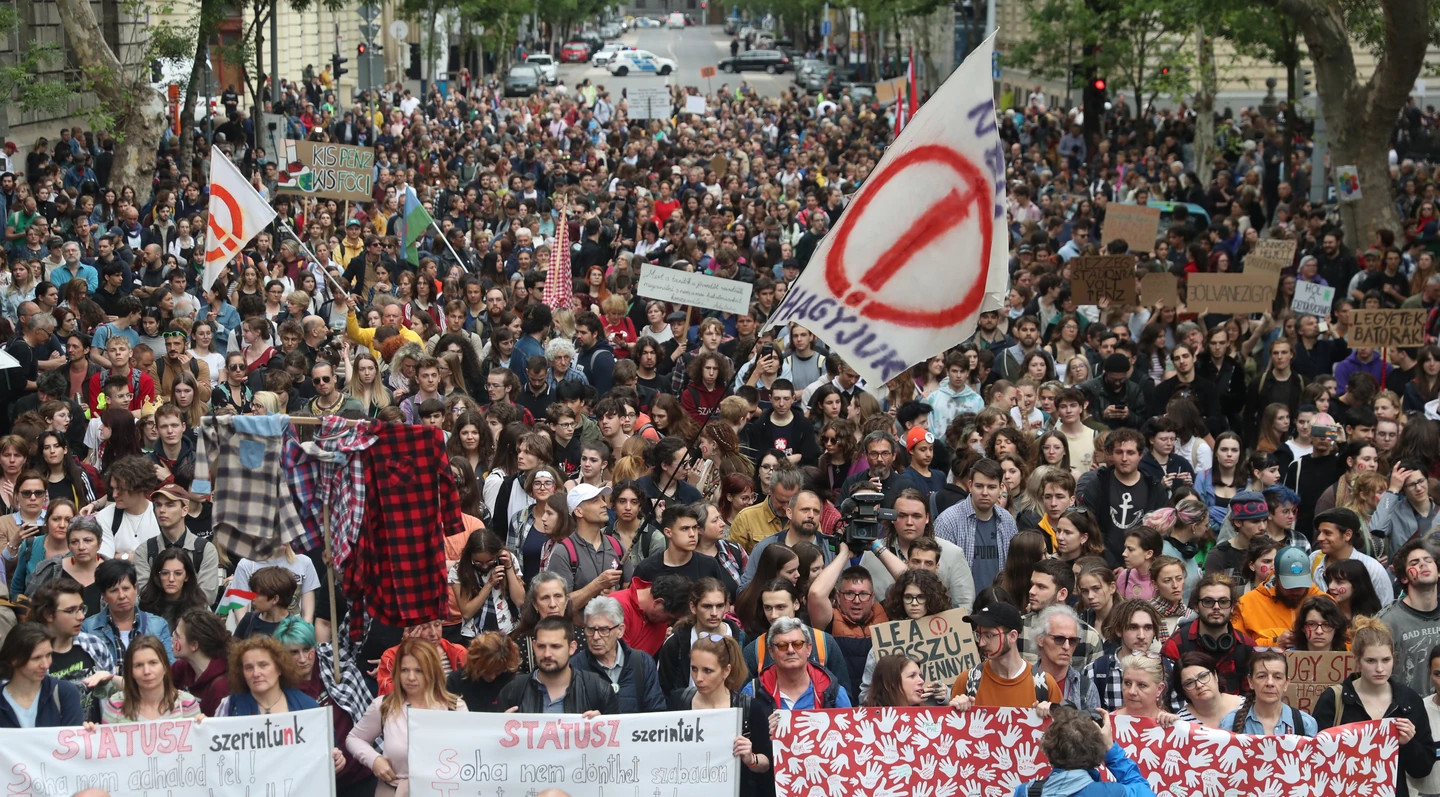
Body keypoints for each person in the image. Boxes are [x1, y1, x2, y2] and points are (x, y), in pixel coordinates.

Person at [1316, 616, 1435, 797]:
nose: (1380, 669)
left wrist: (1409, 744)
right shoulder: (1334, 699)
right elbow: (1314, 759)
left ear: (1394, 659)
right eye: (1371, 661)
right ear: (1357, 661)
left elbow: (1423, 768)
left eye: (1386, 660)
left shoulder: (1409, 701)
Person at [348, 638, 467, 797]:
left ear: (432, 671)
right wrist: (374, 760)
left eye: (419, 670)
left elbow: (472, 748)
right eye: (405, 670)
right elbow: (354, 738)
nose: (411, 677)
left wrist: (497, 729)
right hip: (394, 790)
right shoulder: (384, 706)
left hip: (444, 791)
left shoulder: (455, 707)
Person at [669, 634, 774, 797]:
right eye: (694, 668)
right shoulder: (678, 702)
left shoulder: (751, 709)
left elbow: (768, 764)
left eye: (707, 671)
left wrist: (751, 758)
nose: (698, 678)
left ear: (726, 670)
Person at [273, 616, 373, 788]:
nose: (303, 659)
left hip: (362, 772)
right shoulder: (277, 688)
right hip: (318, 783)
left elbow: (357, 626)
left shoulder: (331, 658)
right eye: (294, 652)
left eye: (307, 649)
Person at [861, 487, 975, 611]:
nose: (909, 522)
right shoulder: (872, 554)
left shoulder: (952, 553)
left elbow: (964, 605)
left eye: (916, 516)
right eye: (902, 515)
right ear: (892, 518)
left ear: (927, 518)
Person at [1012, 706, 1158, 797]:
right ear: (1097, 753)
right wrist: (1110, 749)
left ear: (1049, 751)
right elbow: (1143, 790)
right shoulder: (1112, 793)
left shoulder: (1026, 792)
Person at [27, 578, 113, 719]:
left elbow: (113, 698)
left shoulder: (94, 645)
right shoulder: (31, 656)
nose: (81, 616)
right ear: (48, 614)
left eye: (81, 608)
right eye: (71, 611)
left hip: (96, 736)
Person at [497, 617, 619, 714]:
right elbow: (493, 741)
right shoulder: (512, 691)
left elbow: (618, 741)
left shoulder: (598, 690)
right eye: (541, 646)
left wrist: (603, 729)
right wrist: (501, 730)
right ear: (533, 646)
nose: (547, 654)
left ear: (572, 648)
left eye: (555, 646)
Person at [949, 602, 1060, 709]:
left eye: (989, 635)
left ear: (1012, 636)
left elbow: (1065, 725)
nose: (981, 643)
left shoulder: (1044, 684)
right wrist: (956, 711)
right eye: (979, 634)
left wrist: (1051, 715)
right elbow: (950, 725)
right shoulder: (967, 681)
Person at [1161, 573, 1256, 694]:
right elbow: (1166, 695)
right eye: (1208, 601)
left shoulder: (1247, 646)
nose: (1216, 607)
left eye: (1223, 601)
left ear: (1232, 607)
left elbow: (1252, 696)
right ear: (1196, 606)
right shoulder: (1175, 645)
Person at [571, 595, 666, 713]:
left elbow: (656, 712)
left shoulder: (642, 663)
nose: (595, 637)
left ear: (620, 631)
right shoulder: (575, 667)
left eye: (604, 630)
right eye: (590, 630)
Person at [935, 458, 1019, 591]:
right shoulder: (948, 521)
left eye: (991, 487)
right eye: (979, 486)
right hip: (961, 606)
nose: (985, 493)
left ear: (1000, 488)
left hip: (998, 602)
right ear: (970, 485)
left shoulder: (1007, 521)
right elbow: (938, 572)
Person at [80, 558, 172, 671]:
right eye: (114, 591)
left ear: (135, 588)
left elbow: (170, 668)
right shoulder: (88, 628)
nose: (122, 596)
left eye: (126, 588)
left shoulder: (158, 625)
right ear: (103, 595)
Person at [743, 616, 852, 709]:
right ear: (771, 652)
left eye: (797, 644)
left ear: (809, 649)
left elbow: (848, 731)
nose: (790, 650)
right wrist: (763, 730)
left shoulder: (832, 691)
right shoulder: (753, 692)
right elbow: (741, 732)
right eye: (782, 645)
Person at [1234, 545, 1327, 647]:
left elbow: (1344, 643)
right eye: (1289, 585)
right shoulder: (1246, 604)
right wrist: (1275, 642)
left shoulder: (1325, 602)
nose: (1295, 591)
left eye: (1300, 585)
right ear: (1276, 577)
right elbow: (1237, 647)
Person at [1379, 540, 1440, 695]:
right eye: (1415, 562)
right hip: (1407, 713)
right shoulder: (1386, 622)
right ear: (1404, 577)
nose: (1423, 565)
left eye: (1428, 560)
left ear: (1438, 572)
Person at [99, 634, 200, 722]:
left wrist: (202, 727)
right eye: (139, 665)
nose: (146, 671)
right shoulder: (115, 705)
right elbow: (105, 743)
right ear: (131, 671)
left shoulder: (187, 704)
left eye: (153, 663)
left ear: (165, 666)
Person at [0, 622, 83, 727]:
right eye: (36, 658)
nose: (45, 665)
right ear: (14, 659)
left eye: (48, 655)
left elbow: (74, 740)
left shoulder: (65, 693)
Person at [1309, 507, 1393, 605]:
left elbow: (1386, 610)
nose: (1320, 538)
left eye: (1327, 533)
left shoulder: (1371, 569)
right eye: (1320, 532)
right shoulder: (1314, 559)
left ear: (1347, 535)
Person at [1220, 650, 1317, 734]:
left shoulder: (1305, 723)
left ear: (1286, 683)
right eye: (1262, 676)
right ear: (1250, 681)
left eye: (1277, 677)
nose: (1270, 683)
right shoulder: (1230, 722)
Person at [1033, 604, 1101, 711]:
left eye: (1073, 640)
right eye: (1059, 639)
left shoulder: (1086, 687)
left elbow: (1095, 726)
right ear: (1040, 639)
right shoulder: (1024, 681)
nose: (1066, 646)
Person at [170, 608, 231, 715]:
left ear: (194, 645)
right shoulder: (180, 668)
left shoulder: (221, 687)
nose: (172, 638)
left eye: (177, 635)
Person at [446, 631, 520, 713]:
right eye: (487, 671)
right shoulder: (456, 682)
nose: (492, 676)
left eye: (498, 671)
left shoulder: (511, 681)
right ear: (475, 662)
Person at [1171, 651, 1245, 729]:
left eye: (1203, 676)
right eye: (1190, 683)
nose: (1199, 685)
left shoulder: (1246, 706)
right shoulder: (1181, 723)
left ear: (1215, 675)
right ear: (1184, 691)